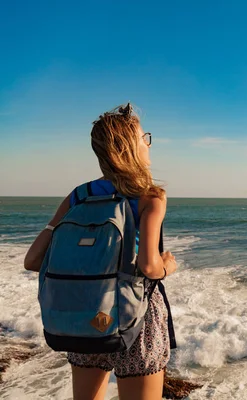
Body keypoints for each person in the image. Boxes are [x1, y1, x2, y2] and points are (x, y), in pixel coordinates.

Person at [24, 103, 178, 400]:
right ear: (130, 147)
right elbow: (149, 267)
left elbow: (33, 260)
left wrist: (53, 226)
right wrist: (168, 266)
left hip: (84, 315)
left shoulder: (79, 195)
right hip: (136, 319)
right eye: (143, 137)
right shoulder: (150, 196)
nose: (148, 143)